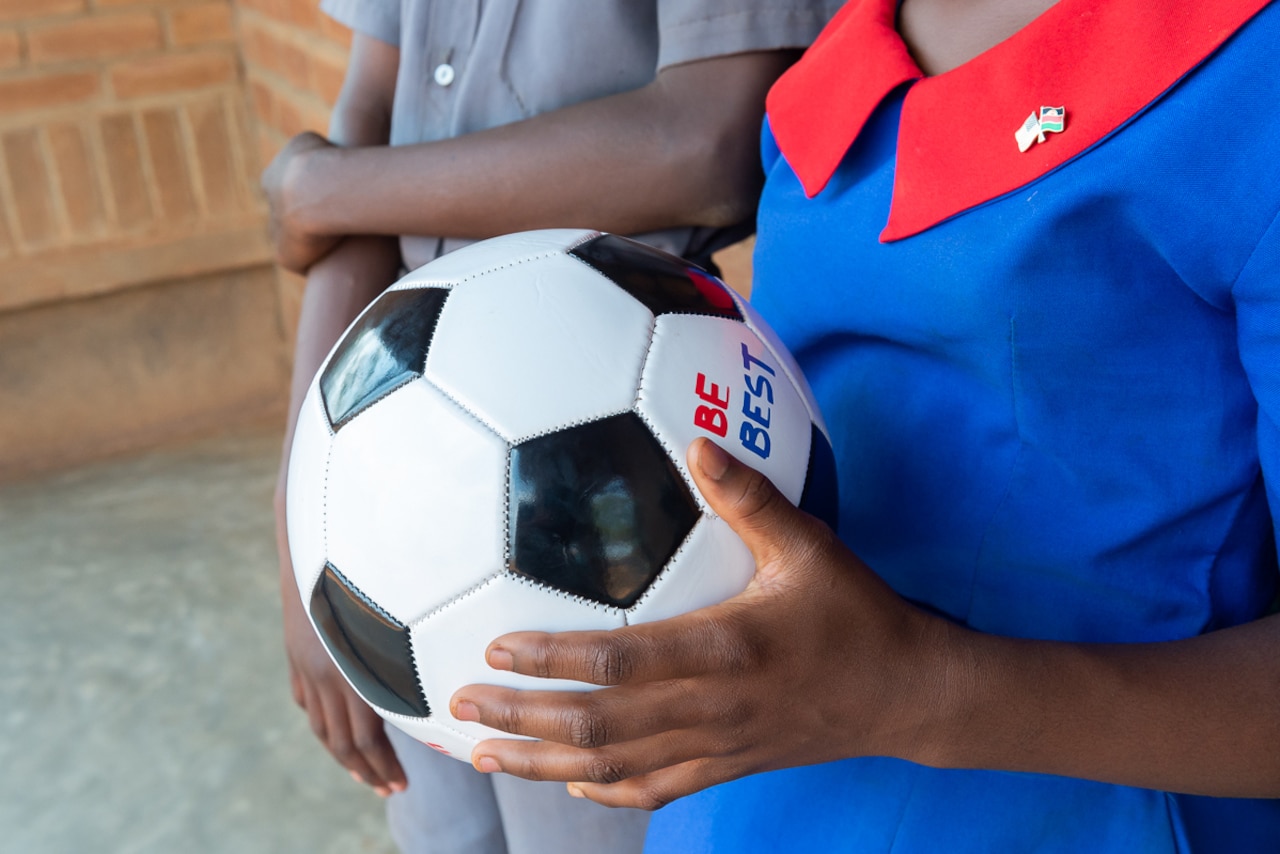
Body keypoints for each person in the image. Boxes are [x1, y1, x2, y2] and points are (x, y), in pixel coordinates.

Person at [441, 0, 1280, 850]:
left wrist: (913, 693)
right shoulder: (843, 63)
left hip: (1083, 812)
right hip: (754, 801)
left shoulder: (1245, 82)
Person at [263, 2, 844, 852]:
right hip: (390, 426)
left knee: (593, 794)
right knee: (443, 826)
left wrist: (320, 190)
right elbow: (361, 132)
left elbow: (707, 146)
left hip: (605, 422)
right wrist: (297, 523)